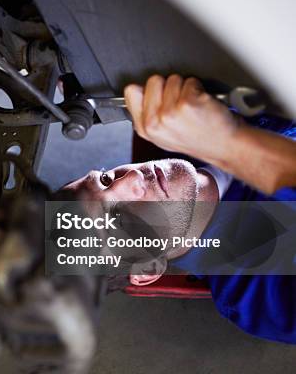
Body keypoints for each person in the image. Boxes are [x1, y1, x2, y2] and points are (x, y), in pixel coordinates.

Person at [62, 74, 296, 344]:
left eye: (105, 180)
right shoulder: (269, 301)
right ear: (148, 268)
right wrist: (229, 145)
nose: (132, 178)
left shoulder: (165, 125)